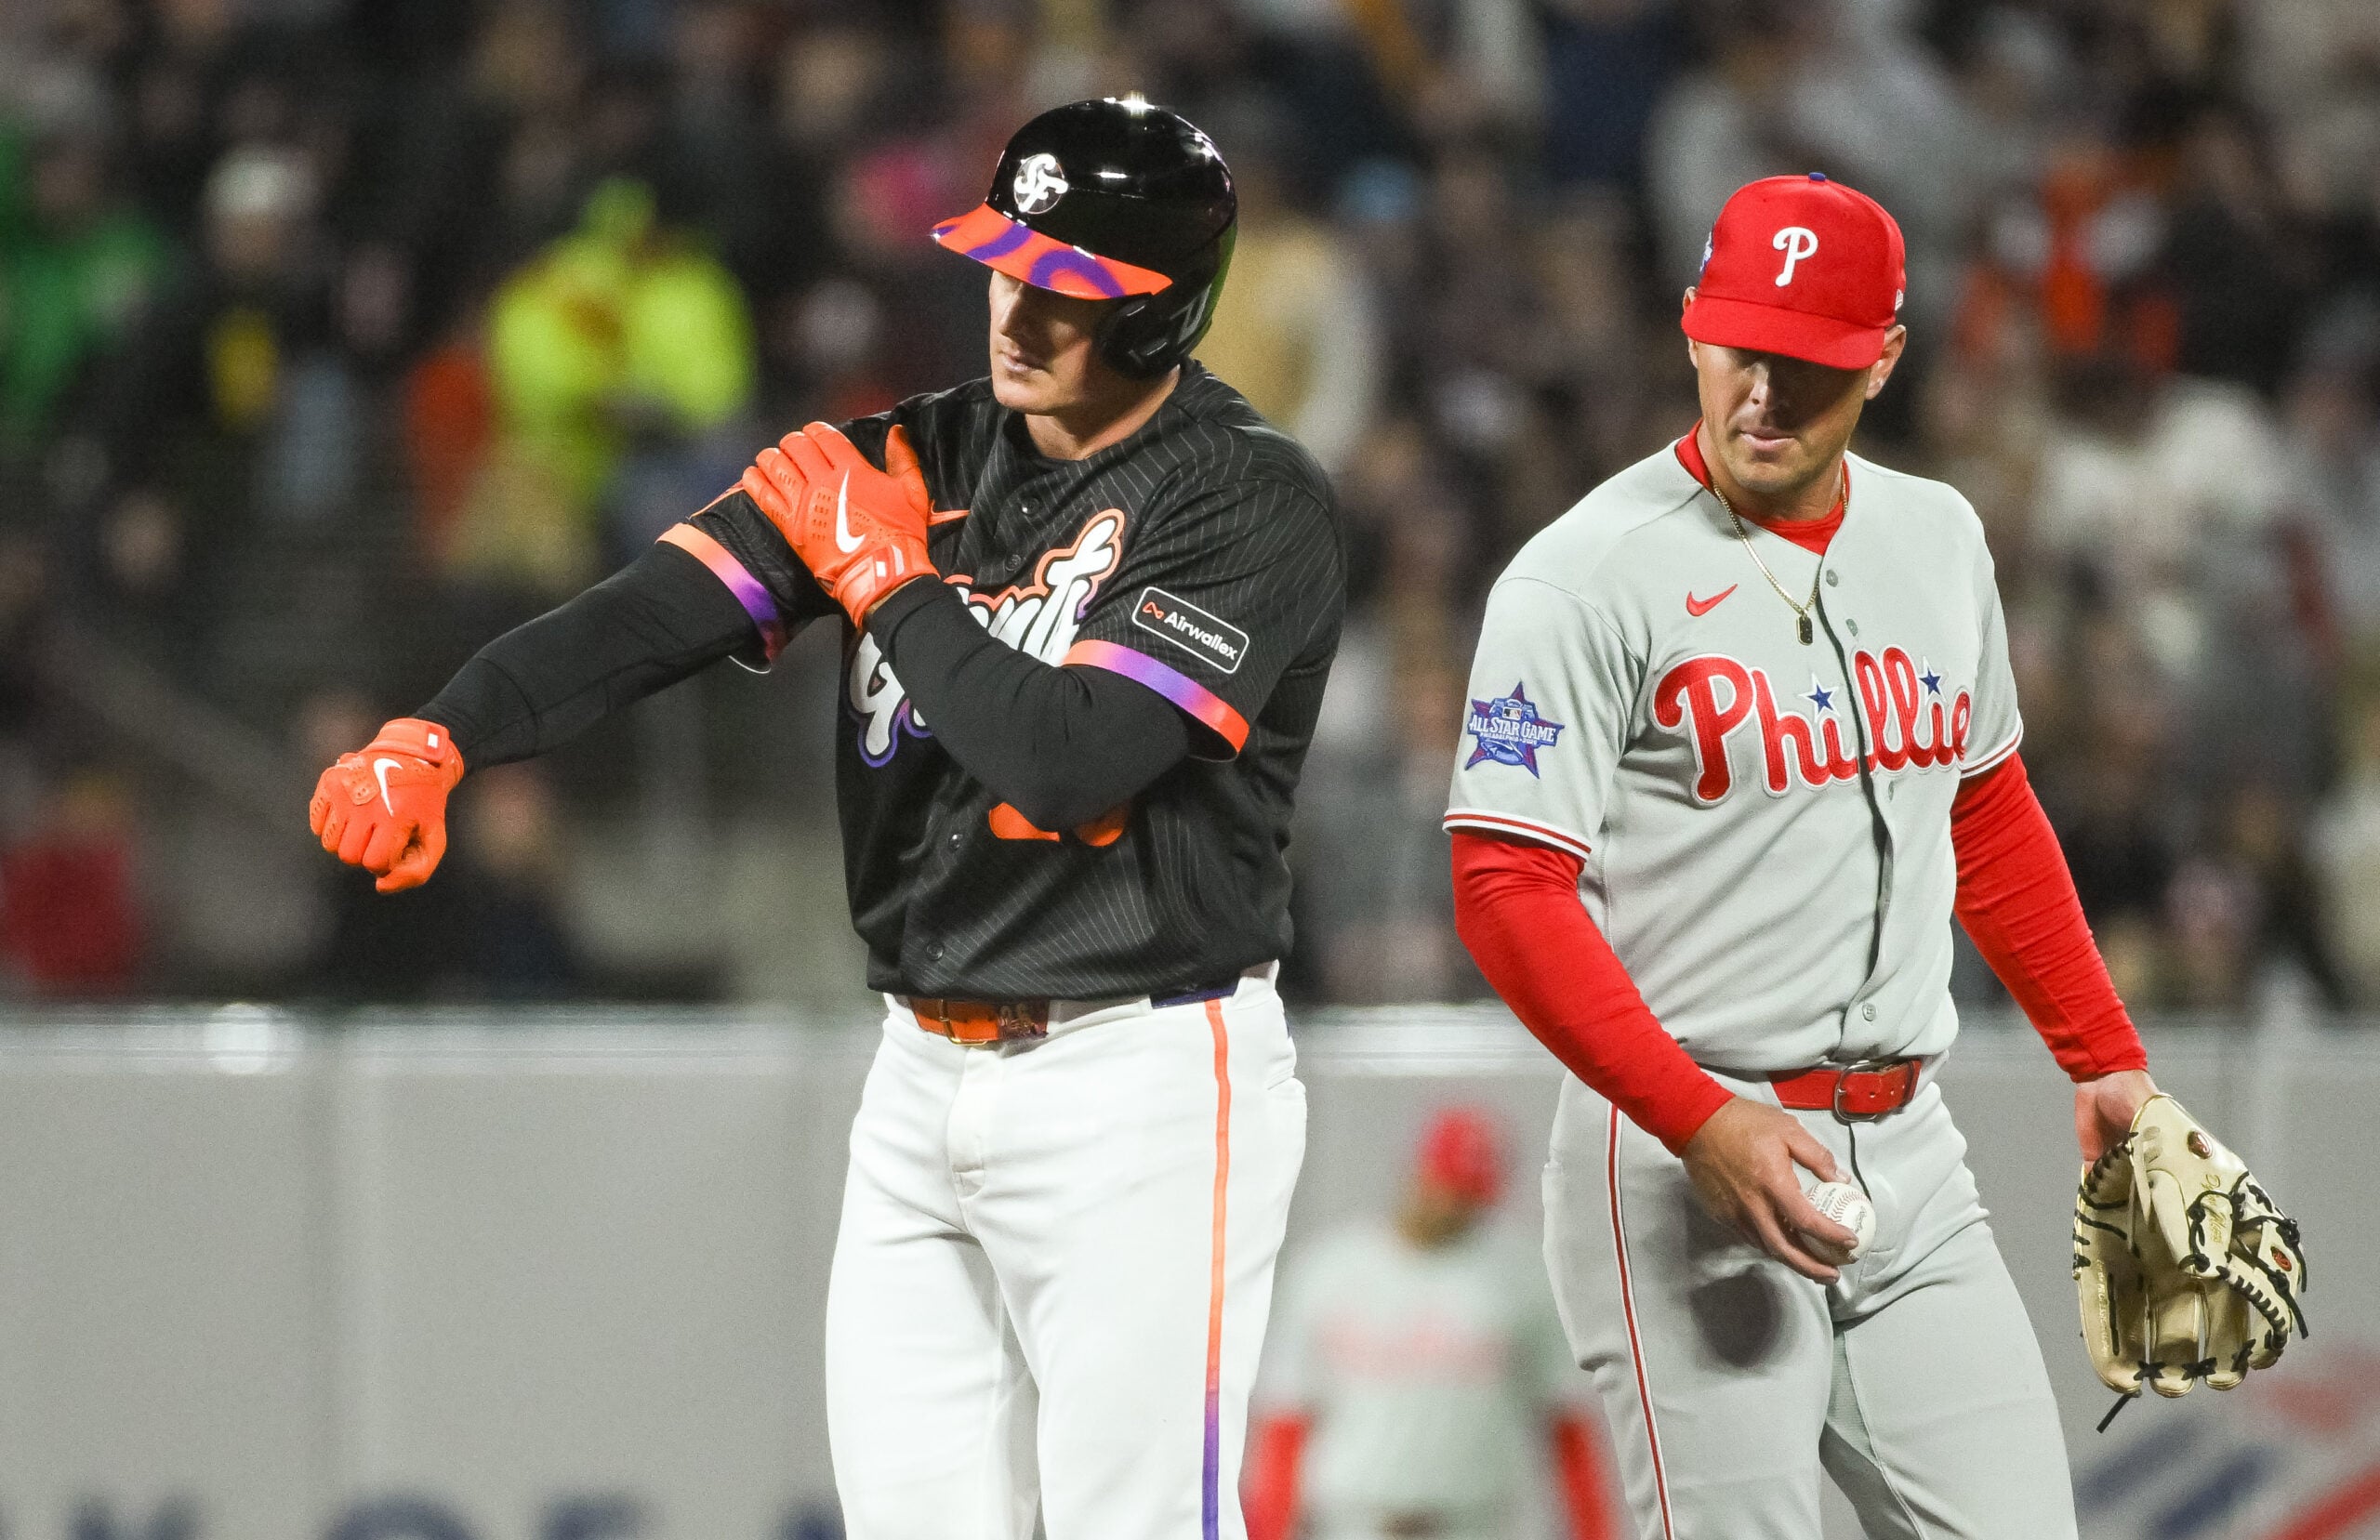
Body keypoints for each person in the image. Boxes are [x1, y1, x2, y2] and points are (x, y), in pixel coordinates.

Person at [307, 98, 1345, 1540]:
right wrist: (446, 732)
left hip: (1141, 1073)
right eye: (1006, 268)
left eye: (1068, 292)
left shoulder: (1245, 500)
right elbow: (653, 613)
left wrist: (890, 585)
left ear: (1165, 312)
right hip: (921, 1070)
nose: (1019, 313)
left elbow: (1070, 760)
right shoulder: (917, 458)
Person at [1443, 174, 2162, 1538]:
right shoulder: (1580, 576)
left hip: (1913, 1157)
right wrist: (1696, 1120)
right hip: (1679, 1150)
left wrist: (2102, 1050)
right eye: (1738, 349)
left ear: (1885, 358)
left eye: (1809, 366)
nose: (1761, 394)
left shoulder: (1938, 536)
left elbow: (1988, 804)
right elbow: (1503, 887)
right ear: (1690, 330)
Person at [1245, 1106, 1617, 1540]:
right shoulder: (1330, 1270)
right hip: (1353, 1520)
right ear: (1419, 1171)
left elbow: (1564, 1423)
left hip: (1475, 1522)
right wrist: (1266, 1531)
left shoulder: (1521, 1277)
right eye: (1447, 1184)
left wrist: (1596, 1532)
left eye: (1470, 1194)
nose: (1455, 1206)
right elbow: (1287, 1420)